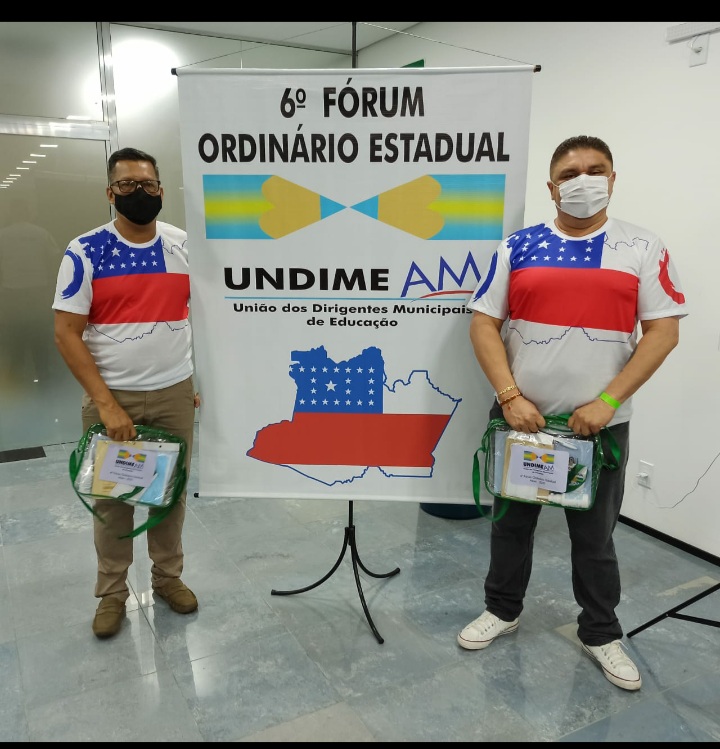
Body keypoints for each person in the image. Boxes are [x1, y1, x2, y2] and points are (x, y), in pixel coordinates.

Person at [460, 135, 687, 691]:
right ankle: (502, 609)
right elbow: (483, 323)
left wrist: (606, 403)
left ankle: (601, 631)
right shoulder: (518, 247)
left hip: (599, 430)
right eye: (569, 173)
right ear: (551, 186)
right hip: (522, 422)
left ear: (613, 178)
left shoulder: (642, 247)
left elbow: (663, 332)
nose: (583, 181)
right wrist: (510, 397)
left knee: (595, 537)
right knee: (511, 526)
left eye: (595, 169)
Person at [53, 147, 199, 638]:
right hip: (112, 399)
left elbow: (195, 316)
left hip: (173, 393)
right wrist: (107, 405)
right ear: (110, 192)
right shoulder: (86, 250)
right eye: (128, 184)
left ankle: (167, 579)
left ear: (161, 188)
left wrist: (193, 380)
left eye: (148, 184)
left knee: (168, 497)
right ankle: (113, 593)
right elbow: (66, 333)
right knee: (112, 500)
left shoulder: (183, 245)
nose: (140, 192)